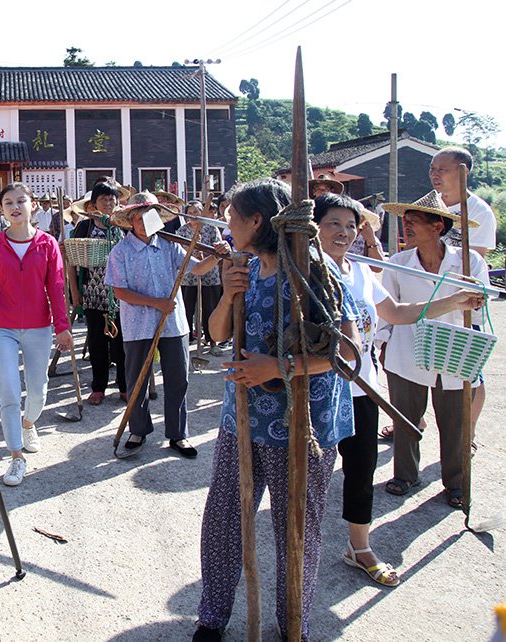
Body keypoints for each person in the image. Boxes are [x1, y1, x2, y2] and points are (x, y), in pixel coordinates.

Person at [193, 178, 361, 642]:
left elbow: (347, 354)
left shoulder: (314, 274)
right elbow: (218, 333)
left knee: (295, 532)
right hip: (241, 420)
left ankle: (292, 627)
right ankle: (212, 617)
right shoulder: (243, 270)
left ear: (256, 221)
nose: (226, 224)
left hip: (301, 428)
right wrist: (228, 294)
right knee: (224, 520)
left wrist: (277, 367)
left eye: (231, 217)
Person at [313, 192, 484, 587]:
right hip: (318, 391)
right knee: (311, 475)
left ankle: (359, 547)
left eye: (351, 225)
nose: (344, 232)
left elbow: (397, 313)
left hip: (363, 391)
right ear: (314, 227)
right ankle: (301, 547)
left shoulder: (360, 272)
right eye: (334, 223)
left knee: (361, 471)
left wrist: (454, 300)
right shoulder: (305, 272)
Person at [376, 191, 488, 509]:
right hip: (406, 351)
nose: (406, 227)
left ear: (438, 226)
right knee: (406, 420)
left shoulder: (469, 262)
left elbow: (479, 313)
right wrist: (382, 344)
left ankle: (456, 482)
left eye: (413, 221)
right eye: (405, 221)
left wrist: (475, 298)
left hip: (453, 352)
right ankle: (405, 475)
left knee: (455, 423)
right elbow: (387, 311)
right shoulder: (398, 264)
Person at [0, 182, 72, 486]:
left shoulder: (48, 244)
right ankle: (16, 457)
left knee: (38, 390)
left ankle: (28, 423)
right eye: (8, 202)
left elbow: (56, 287)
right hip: (2, 327)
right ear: (1, 209)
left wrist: (62, 326)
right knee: (8, 389)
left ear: (32, 205)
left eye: (20, 201)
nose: (14, 207)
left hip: (38, 326)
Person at [105, 192, 228, 459]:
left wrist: (218, 256)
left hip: (173, 324)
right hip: (138, 325)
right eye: (138, 218)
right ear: (130, 221)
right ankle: (138, 430)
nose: (143, 223)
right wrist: (155, 303)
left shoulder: (170, 246)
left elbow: (198, 268)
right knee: (137, 378)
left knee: (178, 378)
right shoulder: (120, 252)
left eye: (148, 217)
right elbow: (120, 291)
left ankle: (178, 434)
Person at [428, 145, 495, 451]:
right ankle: (417, 420)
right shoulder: (429, 203)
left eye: (442, 169)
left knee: (468, 369)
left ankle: (468, 432)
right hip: (428, 295)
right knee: (423, 364)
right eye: (432, 168)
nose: (435, 174)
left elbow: (474, 260)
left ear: (463, 172)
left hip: (462, 301)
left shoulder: (478, 210)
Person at [68, 179, 127, 405]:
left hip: (122, 294)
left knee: (122, 343)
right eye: (103, 199)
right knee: (97, 341)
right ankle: (98, 387)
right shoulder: (85, 227)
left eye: (112, 199)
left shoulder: (125, 226)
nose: (108, 203)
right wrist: (74, 290)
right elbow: (71, 260)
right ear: (94, 203)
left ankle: (124, 386)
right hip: (93, 293)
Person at [175, 201, 224, 356]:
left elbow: (218, 249)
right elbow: (178, 251)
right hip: (188, 277)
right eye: (190, 212)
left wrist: (204, 254)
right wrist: (192, 252)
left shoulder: (211, 228)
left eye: (196, 212)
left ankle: (212, 341)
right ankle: (185, 342)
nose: (193, 215)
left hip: (209, 276)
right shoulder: (182, 230)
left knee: (210, 309)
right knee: (187, 310)